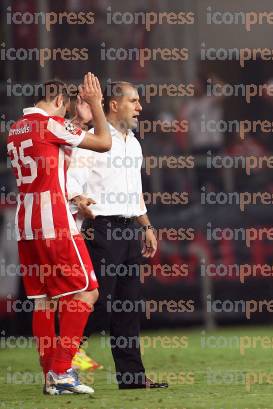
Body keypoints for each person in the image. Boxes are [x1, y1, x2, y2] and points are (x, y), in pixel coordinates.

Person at [7, 73, 111, 395]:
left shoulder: (15, 129)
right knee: (87, 291)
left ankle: (50, 376)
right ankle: (63, 371)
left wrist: (75, 196)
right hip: (55, 223)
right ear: (59, 101)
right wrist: (95, 104)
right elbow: (104, 143)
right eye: (65, 109)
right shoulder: (50, 124)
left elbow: (49, 167)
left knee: (44, 302)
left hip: (26, 223)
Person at [67, 81, 168, 389]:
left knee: (128, 305)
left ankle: (132, 378)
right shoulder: (93, 140)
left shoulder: (133, 143)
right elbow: (73, 178)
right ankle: (61, 360)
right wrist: (78, 198)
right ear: (113, 104)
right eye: (134, 101)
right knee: (99, 304)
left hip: (128, 230)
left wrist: (146, 226)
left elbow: (134, 192)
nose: (139, 107)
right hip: (102, 228)